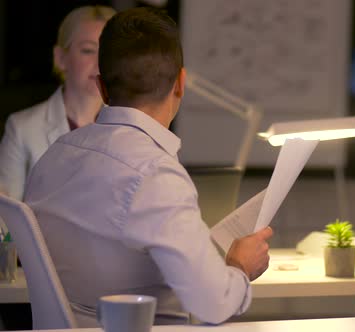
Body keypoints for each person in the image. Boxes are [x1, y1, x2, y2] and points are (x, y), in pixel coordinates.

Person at [24, 7, 272, 326]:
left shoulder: (55, 155)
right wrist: (240, 268)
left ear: (101, 87)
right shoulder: (154, 173)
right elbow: (213, 305)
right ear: (180, 83)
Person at [0, 5, 116, 201]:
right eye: (88, 50)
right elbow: (6, 218)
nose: (100, 63)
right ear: (61, 58)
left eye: (109, 53)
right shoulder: (22, 129)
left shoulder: (128, 128)